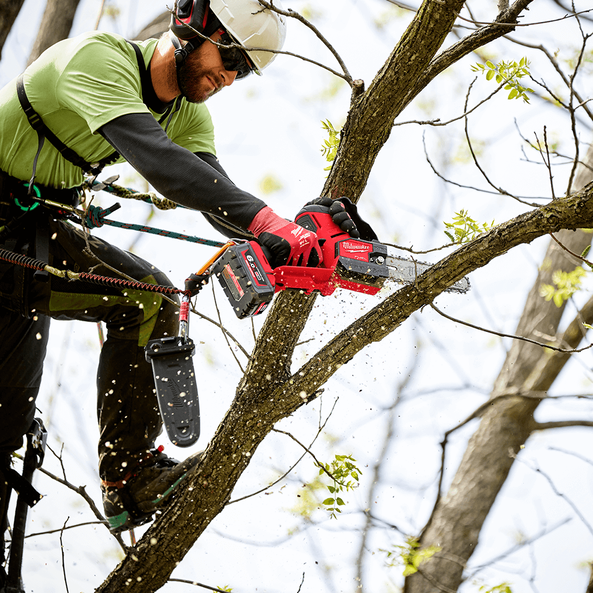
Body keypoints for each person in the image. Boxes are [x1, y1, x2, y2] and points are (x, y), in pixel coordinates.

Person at [0, 0, 364, 559]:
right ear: (194, 26)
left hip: (35, 234)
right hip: (6, 228)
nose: (230, 76)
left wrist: (297, 235)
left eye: (243, 70)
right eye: (230, 56)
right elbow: (164, 166)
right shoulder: (98, 61)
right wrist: (264, 221)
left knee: (146, 301)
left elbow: (214, 196)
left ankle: (131, 476)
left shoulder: (189, 116)